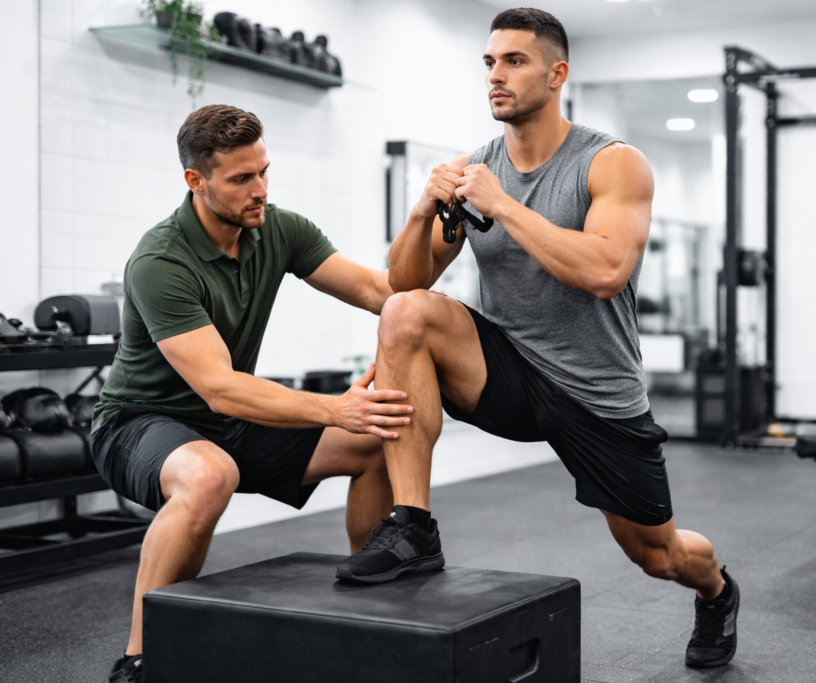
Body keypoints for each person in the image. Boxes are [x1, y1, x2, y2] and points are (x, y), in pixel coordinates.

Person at [334, 8, 739, 670]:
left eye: (514, 62)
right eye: (490, 62)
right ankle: (412, 526)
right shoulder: (477, 168)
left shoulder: (612, 164)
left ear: (558, 75)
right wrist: (418, 213)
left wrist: (503, 206)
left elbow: (607, 271)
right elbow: (403, 284)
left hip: (594, 394)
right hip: (506, 372)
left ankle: (718, 590)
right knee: (407, 313)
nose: (496, 75)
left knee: (657, 553)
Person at [95, 105, 413, 682]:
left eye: (264, 171)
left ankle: (372, 614)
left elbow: (375, 288)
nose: (260, 189)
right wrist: (335, 408)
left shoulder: (278, 228)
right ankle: (140, 659)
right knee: (210, 475)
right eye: (242, 179)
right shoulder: (161, 260)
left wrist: (447, 314)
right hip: (140, 421)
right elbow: (218, 388)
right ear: (197, 181)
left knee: (370, 443)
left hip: (227, 420)